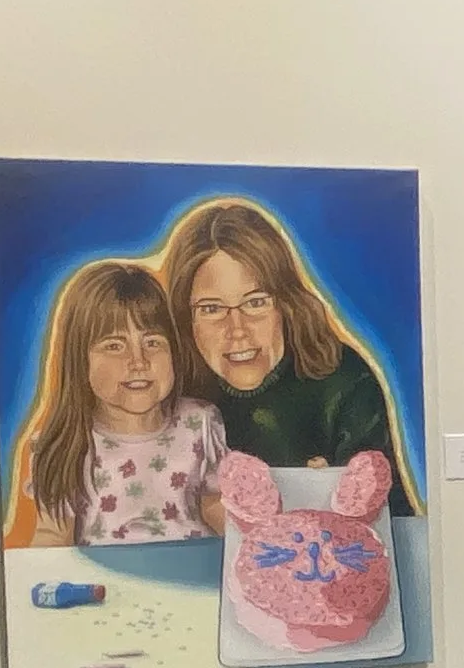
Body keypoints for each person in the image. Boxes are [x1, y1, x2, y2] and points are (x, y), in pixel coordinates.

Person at [158, 199, 415, 515]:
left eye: (256, 303)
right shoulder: (171, 387)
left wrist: (331, 498)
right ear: (186, 318)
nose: (237, 330)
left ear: (286, 304)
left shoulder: (343, 379)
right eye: (211, 309)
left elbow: (393, 519)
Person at [19, 261, 227, 546]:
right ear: (80, 360)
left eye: (152, 342)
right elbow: (53, 536)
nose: (138, 361)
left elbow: (215, 505)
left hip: (192, 572)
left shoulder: (200, 421)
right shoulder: (63, 444)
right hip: (104, 575)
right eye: (114, 346)